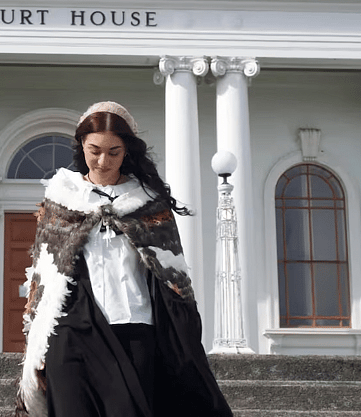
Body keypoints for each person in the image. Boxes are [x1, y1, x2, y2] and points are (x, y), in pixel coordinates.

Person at [14, 101, 233, 417]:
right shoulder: (62, 199)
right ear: (81, 145)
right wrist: (37, 347)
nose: (103, 161)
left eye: (113, 152)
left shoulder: (148, 203)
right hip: (71, 329)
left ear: (127, 151)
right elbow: (43, 279)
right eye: (94, 150)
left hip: (134, 327)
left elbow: (174, 280)